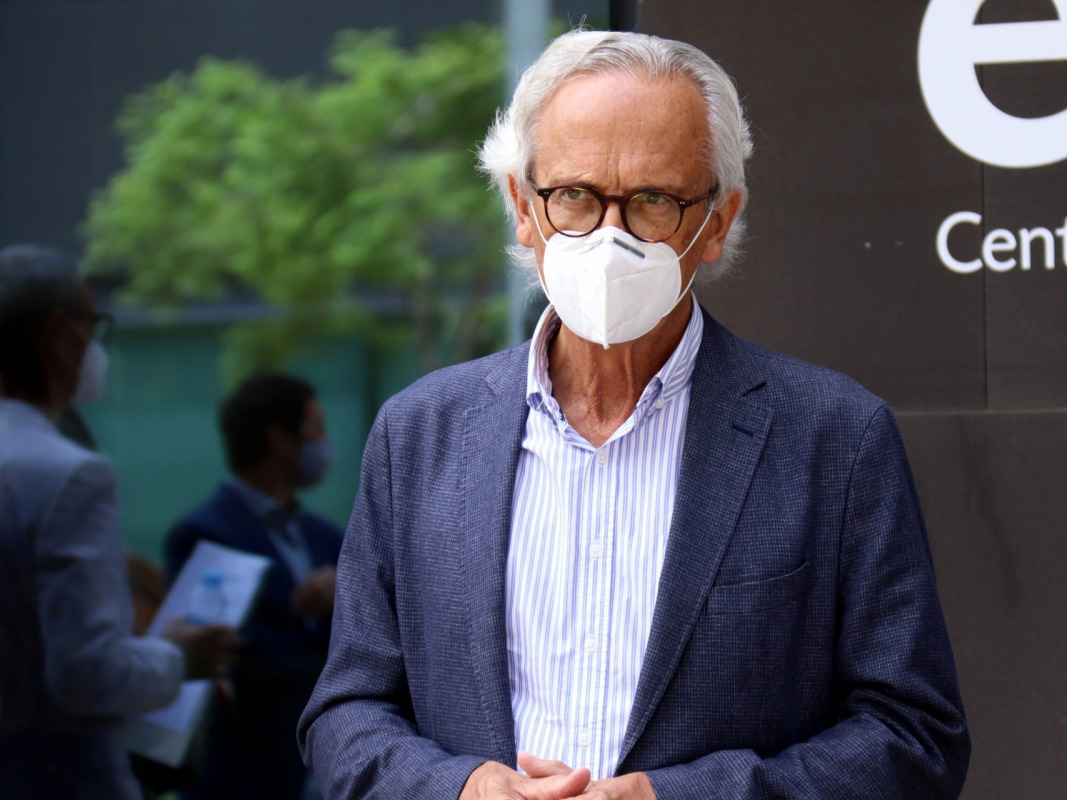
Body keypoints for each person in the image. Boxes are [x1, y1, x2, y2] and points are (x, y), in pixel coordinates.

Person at [298, 29, 970, 800]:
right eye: (575, 196)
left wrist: (671, 798)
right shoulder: (419, 435)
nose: (609, 236)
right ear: (522, 207)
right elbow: (347, 712)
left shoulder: (833, 437)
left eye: (654, 201)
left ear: (718, 222)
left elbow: (914, 736)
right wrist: (463, 789)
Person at [0, 244, 238, 800]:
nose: (95, 349)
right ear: (58, 333)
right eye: (93, 326)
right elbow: (87, 672)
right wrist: (178, 656)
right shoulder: (71, 475)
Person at [165, 373, 342, 800]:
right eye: (315, 427)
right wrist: (302, 616)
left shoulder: (325, 536)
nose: (325, 442)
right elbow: (230, 654)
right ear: (280, 440)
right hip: (244, 774)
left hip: (326, 768)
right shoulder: (203, 535)